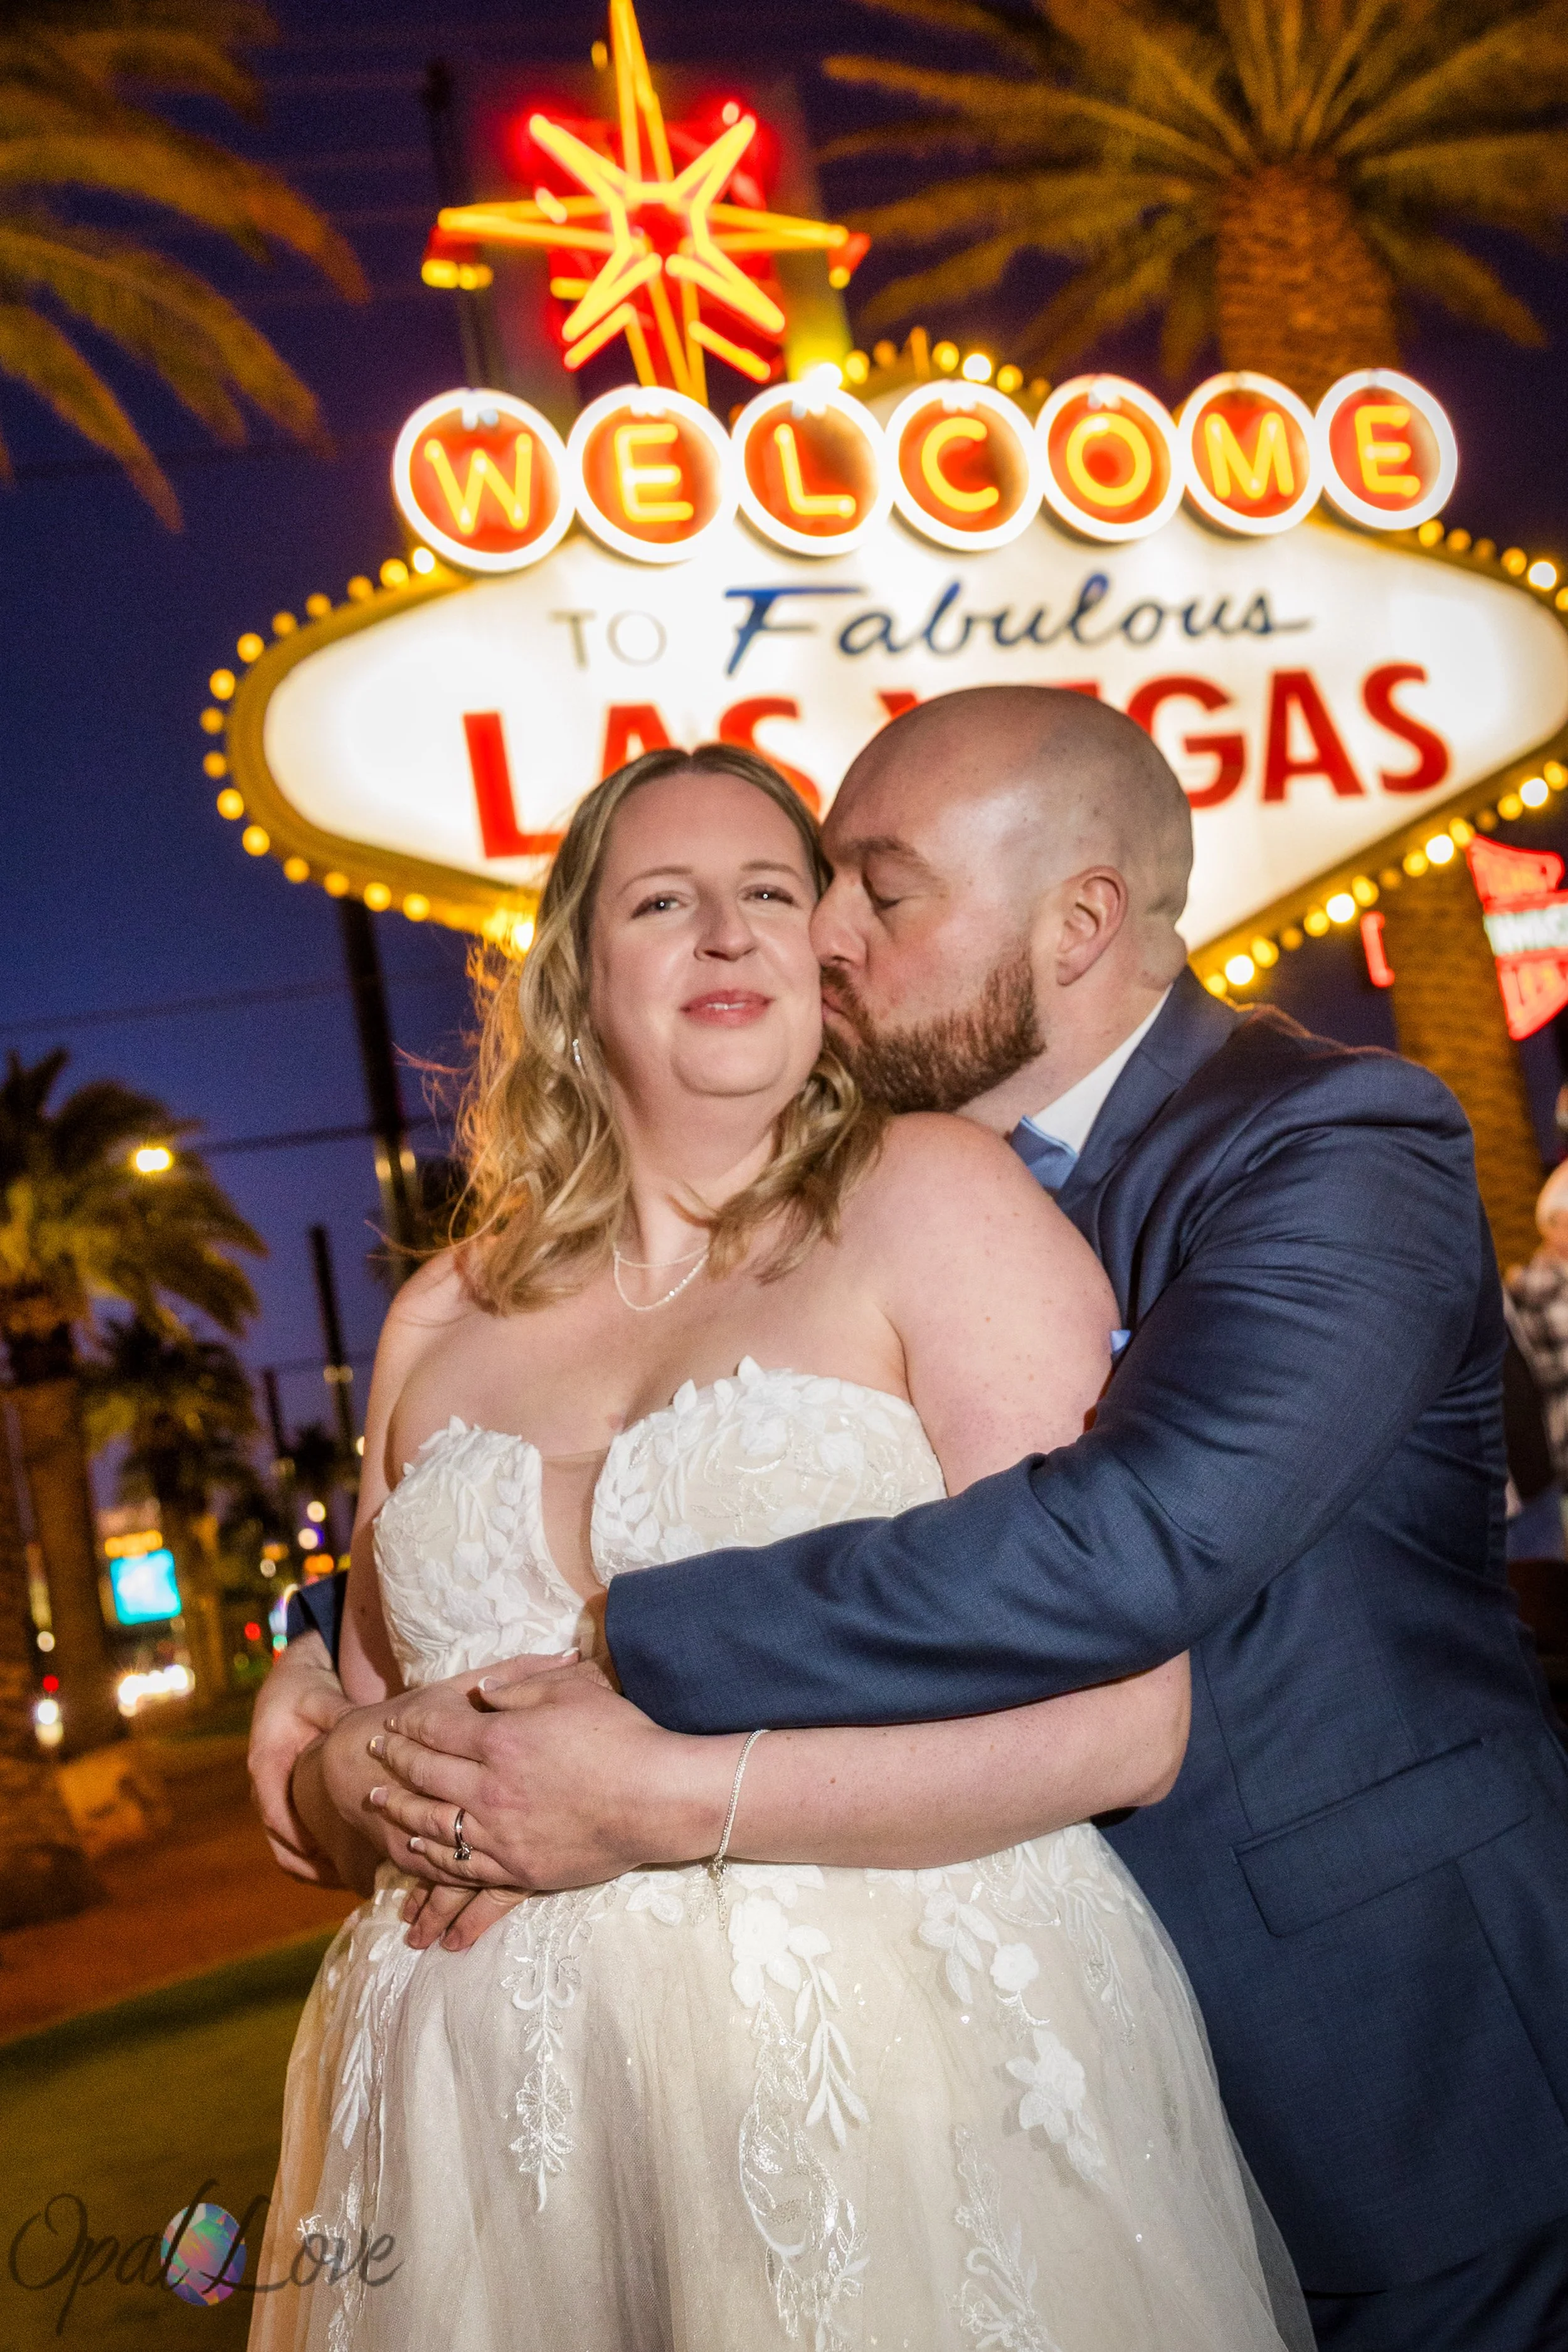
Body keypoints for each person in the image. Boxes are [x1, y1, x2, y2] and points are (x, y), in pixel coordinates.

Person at [252, 687, 1568, 2352]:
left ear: (1076, 919)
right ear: (578, 976)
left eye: (865, 889)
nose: (822, 939)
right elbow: (443, 1587)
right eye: (814, 893)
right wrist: (334, 1681)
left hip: (1357, 2027)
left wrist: (624, 1680)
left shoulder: (1316, 1141)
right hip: (561, 2112)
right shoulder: (483, 1294)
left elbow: (1124, 1541)